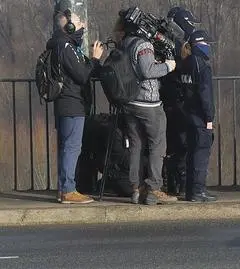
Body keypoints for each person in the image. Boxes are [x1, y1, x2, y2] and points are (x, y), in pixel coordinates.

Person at [113, 8, 179, 205]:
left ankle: (135, 188)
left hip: (129, 102)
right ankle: (154, 188)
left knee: (136, 145)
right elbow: (148, 70)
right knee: (157, 145)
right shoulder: (143, 45)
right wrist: (168, 66)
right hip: (148, 103)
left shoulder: (123, 43)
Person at [48, 6, 104, 203]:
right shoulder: (65, 46)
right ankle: (68, 190)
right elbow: (81, 75)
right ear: (70, 27)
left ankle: (65, 188)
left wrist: (94, 64)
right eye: (80, 22)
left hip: (71, 103)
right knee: (72, 146)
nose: (84, 25)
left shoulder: (68, 46)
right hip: (71, 103)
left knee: (69, 146)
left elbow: (86, 70)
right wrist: (95, 59)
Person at [160, 7, 200, 196]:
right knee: (182, 143)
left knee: (173, 144)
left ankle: (173, 183)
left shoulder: (168, 43)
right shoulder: (177, 46)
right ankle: (182, 183)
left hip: (170, 100)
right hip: (177, 100)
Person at [179, 30, 216, 202]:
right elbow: (205, 94)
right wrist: (209, 118)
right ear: (201, 44)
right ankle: (198, 191)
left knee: (191, 154)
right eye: (207, 43)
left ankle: (189, 190)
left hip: (188, 114)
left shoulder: (186, 62)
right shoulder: (202, 65)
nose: (209, 47)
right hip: (200, 117)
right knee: (201, 154)